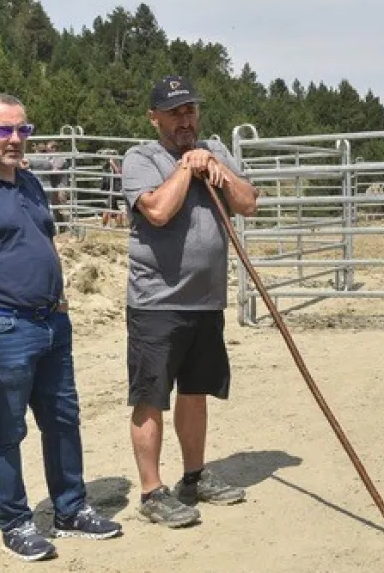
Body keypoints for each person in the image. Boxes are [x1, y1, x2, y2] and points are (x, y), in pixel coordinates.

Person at [0, 92, 122, 562]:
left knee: (62, 420)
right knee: (4, 430)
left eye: (23, 130)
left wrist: (60, 301)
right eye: (5, 130)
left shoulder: (30, 184)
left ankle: (71, 510)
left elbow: (42, 242)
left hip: (49, 323)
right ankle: (15, 523)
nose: (15, 139)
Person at [121, 75, 260, 528]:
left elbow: (248, 203)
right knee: (150, 397)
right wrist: (187, 168)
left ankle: (194, 476)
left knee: (196, 391)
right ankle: (151, 491)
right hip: (157, 301)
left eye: (191, 110)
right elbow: (158, 212)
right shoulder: (141, 158)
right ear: (154, 117)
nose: (186, 120)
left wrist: (219, 171)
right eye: (176, 112)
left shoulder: (218, 153)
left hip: (205, 301)